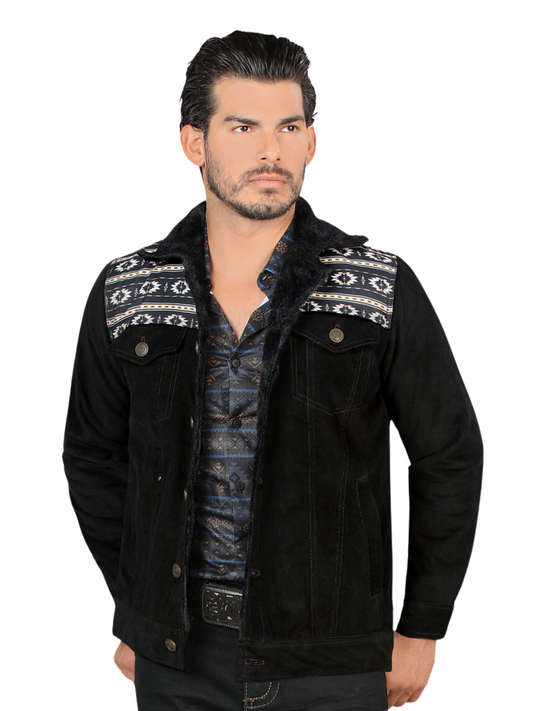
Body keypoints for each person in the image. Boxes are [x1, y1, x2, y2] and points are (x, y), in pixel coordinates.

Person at [63, 30, 483, 710]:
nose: (271, 150)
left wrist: (421, 627)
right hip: (178, 660)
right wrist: (141, 609)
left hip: (330, 661)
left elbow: (449, 456)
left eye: (289, 126)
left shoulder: (376, 286)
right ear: (194, 142)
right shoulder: (129, 290)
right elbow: (92, 456)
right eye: (243, 127)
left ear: (311, 142)